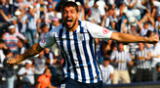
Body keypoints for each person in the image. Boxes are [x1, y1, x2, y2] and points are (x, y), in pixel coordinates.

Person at [7, 1, 159, 88]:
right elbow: (36, 48)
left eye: (71, 12)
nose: (68, 15)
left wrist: (145, 40)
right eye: (65, 12)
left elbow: (117, 35)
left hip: (94, 80)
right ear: (62, 14)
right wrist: (18, 58)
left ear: (77, 13)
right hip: (72, 79)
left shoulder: (88, 27)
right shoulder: (55, 33)